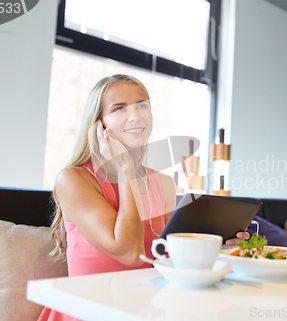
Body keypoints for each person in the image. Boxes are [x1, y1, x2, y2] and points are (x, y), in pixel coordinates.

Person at [38, 74, 249, 321]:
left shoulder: (164, 184)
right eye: (119, 108)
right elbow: (129, 252)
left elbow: (170, 261)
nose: (135, 115)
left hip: (149, 310)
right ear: (99, 125)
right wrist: (126, 169)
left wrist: (215, 249)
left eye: (142, 105)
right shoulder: (73, 180)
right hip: (90, 310)